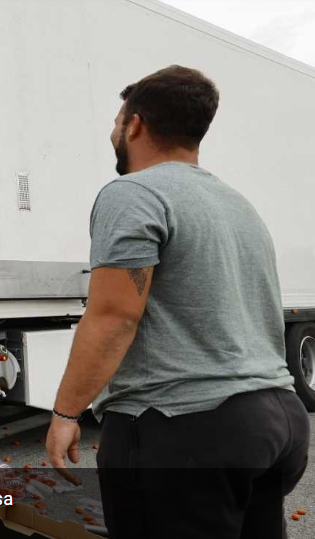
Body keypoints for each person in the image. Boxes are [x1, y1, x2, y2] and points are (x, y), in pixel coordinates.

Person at [44, 66, 308, 539]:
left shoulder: (133, 192)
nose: (114, 131)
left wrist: (66, 413)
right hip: (276, 419)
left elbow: (114, 317)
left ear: (135, 124)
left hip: (184, 428)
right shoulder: (236, 203)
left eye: (116, 120)